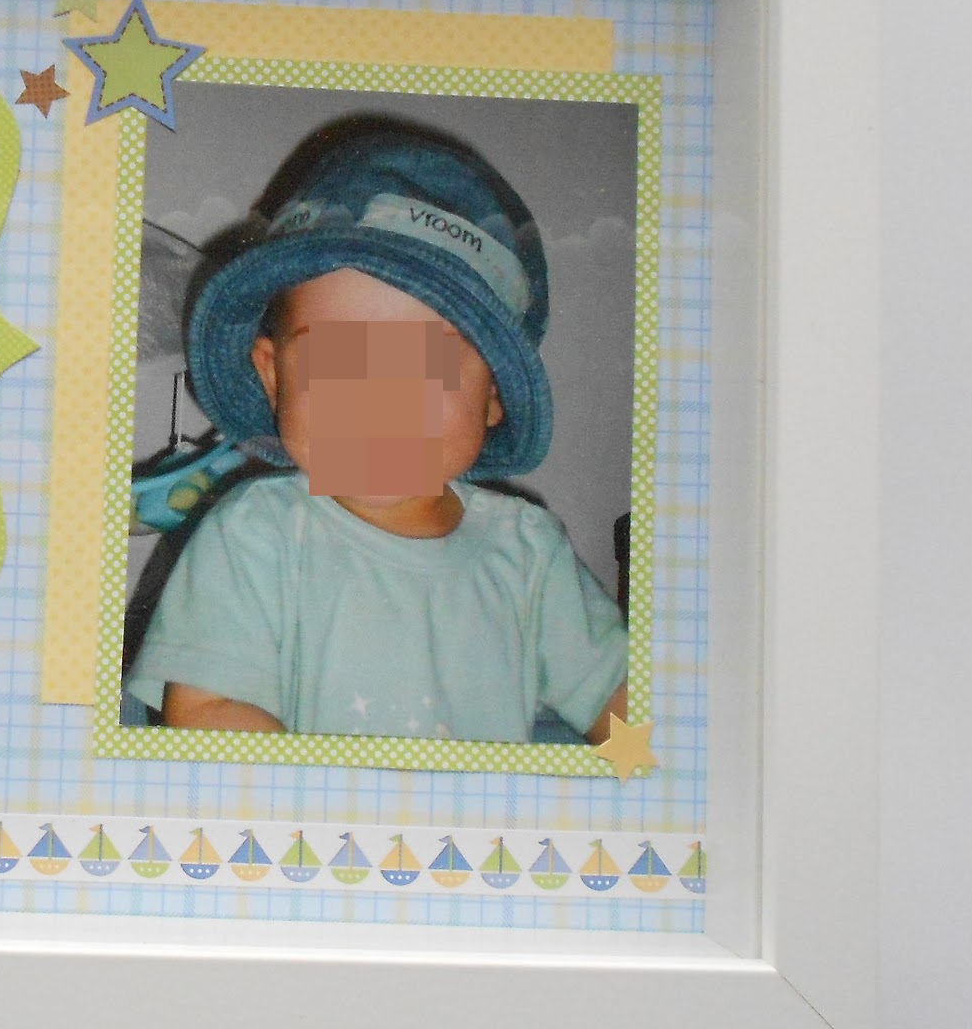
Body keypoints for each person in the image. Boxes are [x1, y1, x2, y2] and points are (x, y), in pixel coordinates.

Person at [123, 116, 628, 745]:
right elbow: (207, 709)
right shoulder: (256, 535)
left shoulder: (530, 553)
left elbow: (621, 703)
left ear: (493, 395)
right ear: (274, 378)